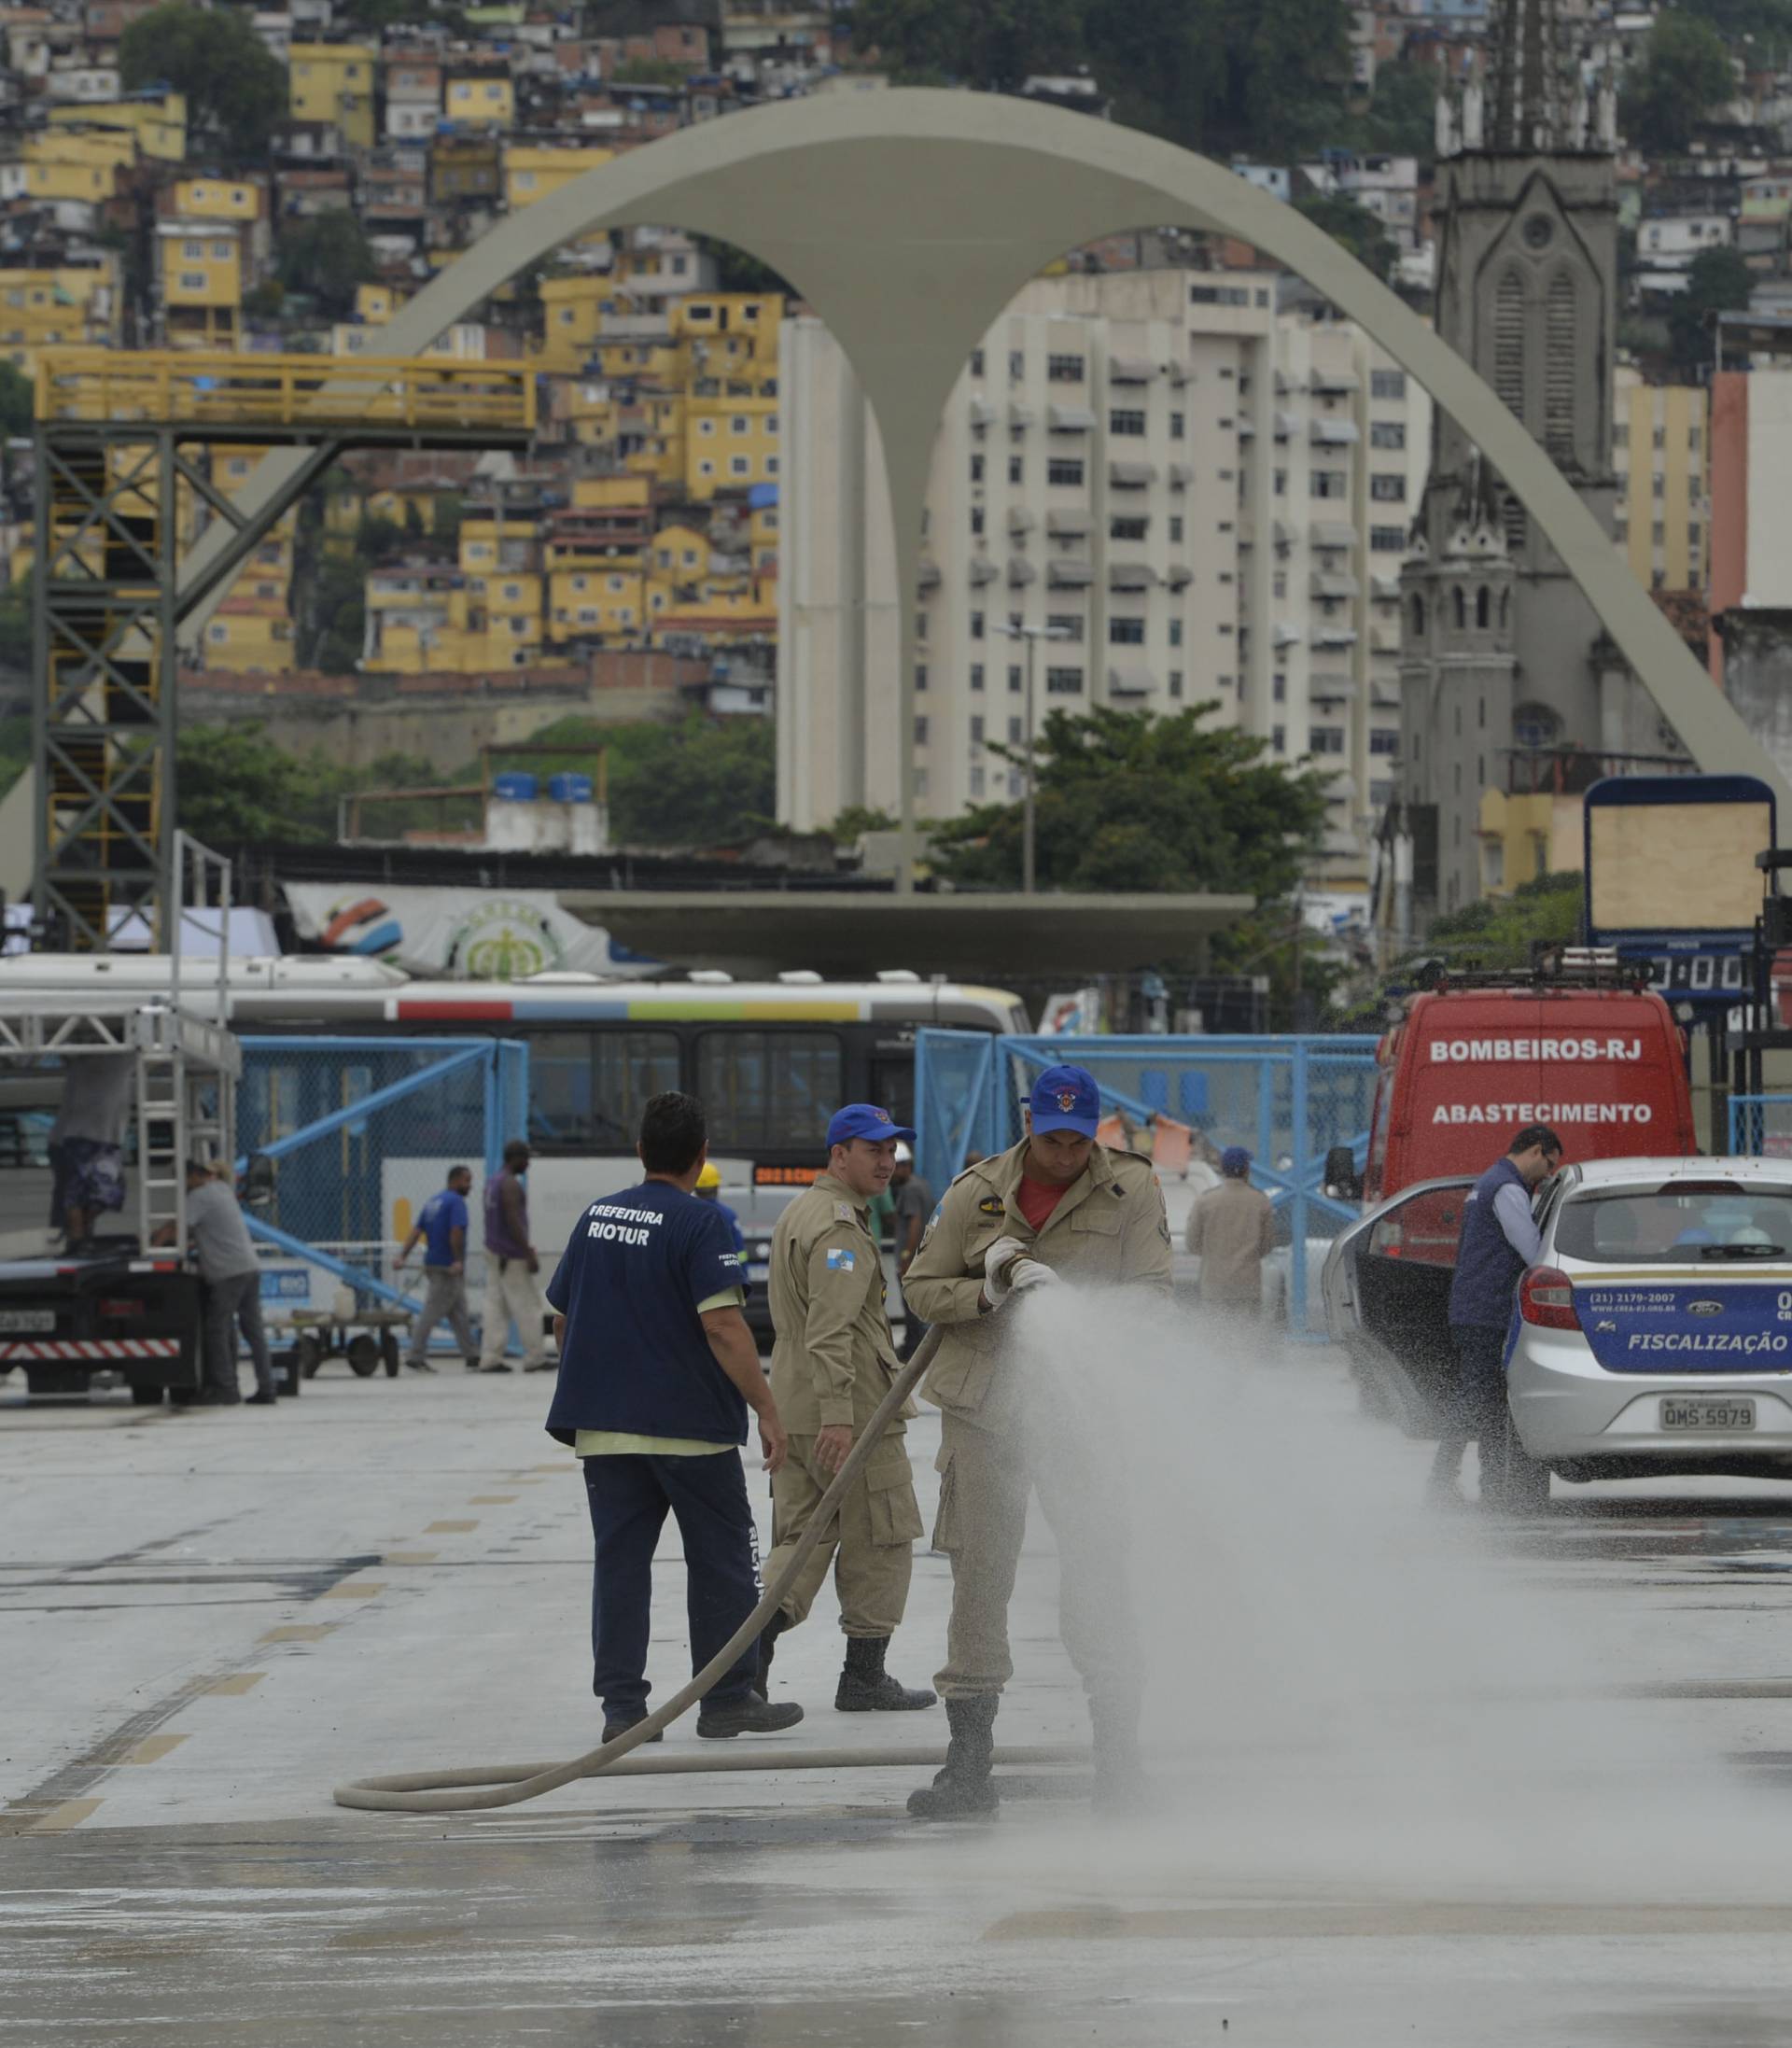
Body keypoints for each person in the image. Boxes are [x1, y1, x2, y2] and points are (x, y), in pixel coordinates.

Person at [901, 1063, 1173, 1819]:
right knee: (980, 1581)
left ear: (1094, 1131)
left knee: (1098, 1576)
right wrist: (987, 1294)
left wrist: (1075, 1311)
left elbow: (1154, 1293)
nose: (1063, 1153)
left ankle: (1121, 1768)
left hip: (1079, 1414)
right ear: (1029, 1123)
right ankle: (968, 1770)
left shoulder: (1131, 1191)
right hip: (985, 1411)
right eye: (1051, 1138)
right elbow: (922, 1288)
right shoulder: (974, 1191)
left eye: (1077, 1139)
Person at [545, 1090, 805, 1743]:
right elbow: (722, 1324)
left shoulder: (596, 1217)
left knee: (621, 1565)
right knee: (721, 1562)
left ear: (640, 1151)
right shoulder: (702, 1223)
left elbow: (562, 1318)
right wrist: (768, 1409)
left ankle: (624, 1712)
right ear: (702, 1156)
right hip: (690, 1431)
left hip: (603, 1428)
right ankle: (726, 1699)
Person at [758, 1104, 935, 1715]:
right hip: (850, 1413)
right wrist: (840, 1415)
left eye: (891, 1152)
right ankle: (864, 1678)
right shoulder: (838, 1229)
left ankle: (742, 1673)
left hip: (795, 1405)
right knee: (882, 1536)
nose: (887, 1162)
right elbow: (831, 1333)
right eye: (872, 1150)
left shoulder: (800, 1212)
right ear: (839, 1155)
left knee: (801, 1539)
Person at [1435, 1124, 1564, 1508]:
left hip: (1473, 1305)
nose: (1550, 1174)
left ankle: (1491, 1484)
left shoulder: (1488, 1182)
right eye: (1550, 1165)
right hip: (1486, 1309)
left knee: (1487, 1400)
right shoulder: (1507, 1189)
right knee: (1475, 1398)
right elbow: (1531, 1249)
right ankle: (1443, 1480)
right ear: (1536, 1151)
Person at [161, 1159, 277, 1407]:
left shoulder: (199, 1196)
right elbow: (209, 1230)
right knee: (253, 1331)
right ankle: (267, 1388)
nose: (181, 1187)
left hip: (228, 1274)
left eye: (182, 1180)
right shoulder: (222, 1190)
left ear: (193, 1176)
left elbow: (177, 1228)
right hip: (249, 1266)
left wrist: (152, 1240)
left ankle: (226, 1389)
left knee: (217, 1329)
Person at [397, 1166, 478, 1373]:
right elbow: (456, 1231)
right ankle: (415, 1356)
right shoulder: (456, 1202)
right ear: (456, 1180)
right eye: (467, 1181)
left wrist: (402, 1255)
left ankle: (472, 1356)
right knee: (431, 1312)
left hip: (435, 1263)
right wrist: (457, 1260)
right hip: (448, 1268)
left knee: (459, 1313)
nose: (470, 1186)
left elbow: (416, 1231)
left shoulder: (433, 1202)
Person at [49, 1051, 133, 1248]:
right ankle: (78, 1237)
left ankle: (81, 1230)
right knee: (76, 1194)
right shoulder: (81, 1058)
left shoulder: (125, 1054)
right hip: (80, 1136)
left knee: (109, 1193)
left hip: (106, 1140)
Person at [479, 1140, 551, 1374]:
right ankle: (535, 1357)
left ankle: (490, 1358)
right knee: (528, 1305)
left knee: (495, 1307)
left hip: (493, 1252)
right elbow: (513, 1221)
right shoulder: (510, 1184)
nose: (528, 1163)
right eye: (526, 1158)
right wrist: (527, 1252)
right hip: (511, 1255)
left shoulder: (493, 1182)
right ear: (515, 1158)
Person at [1184, 1145, 1276, 1317]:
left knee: (1216, 1335)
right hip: (1247, 1286)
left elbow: (1192, 1244)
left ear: (1222, 1168)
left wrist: (1211, 1255)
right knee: (1245, 1336)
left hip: (1214, 1284)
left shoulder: (1206, 1200)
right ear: (1246, 1169)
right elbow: (1267, 1245)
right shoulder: (1260, 1201)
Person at [890, 1140, 936, 1362]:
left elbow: (915, 1223)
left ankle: (914, 1352)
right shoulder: (922, 1185)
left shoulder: (909, 1190)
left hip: (912, 1258)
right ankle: (912, 1346)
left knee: (910, 1307)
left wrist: (906, 1258)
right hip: (924, 1255)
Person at [694, 1161, 746, 1255]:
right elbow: (739, 1250)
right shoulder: (729, 1215)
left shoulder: (686, 1214)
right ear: (716, 1187)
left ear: (696, 1188)